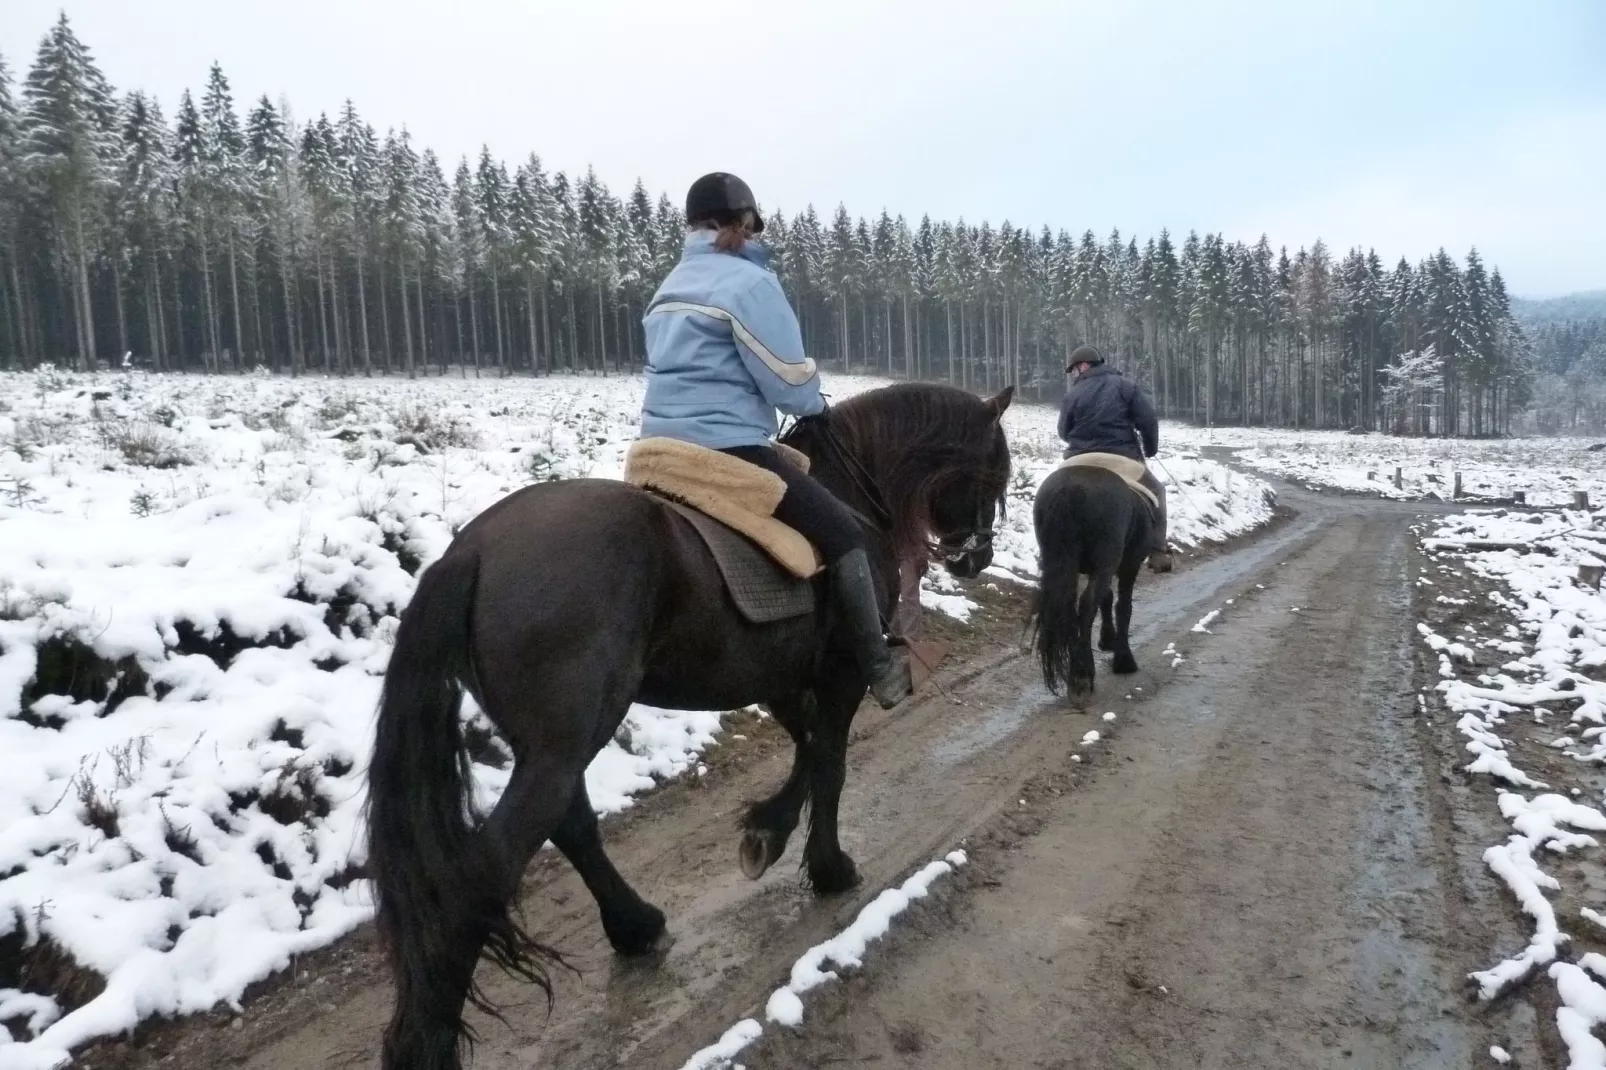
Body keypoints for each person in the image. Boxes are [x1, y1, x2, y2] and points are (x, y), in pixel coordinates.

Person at [639, 172, 913, 709]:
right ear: (744, 224)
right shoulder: (750, 284)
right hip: (729, 450)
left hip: (658, 452)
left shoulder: (667, 286)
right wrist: (814, 402)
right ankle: (877, 666)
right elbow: (788, 382)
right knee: (843, 533)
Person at [1058, 344, 1173, 572]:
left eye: (1073, 370)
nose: (1073, 375)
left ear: (1083, 366)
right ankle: (1158, 551)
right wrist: (1149, 450)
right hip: (1122, 459)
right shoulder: (1125, 386)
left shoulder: (1073, 394)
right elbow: (1148, 421)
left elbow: (1063, 431)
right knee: (1158, 491)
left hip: (1078, 459)